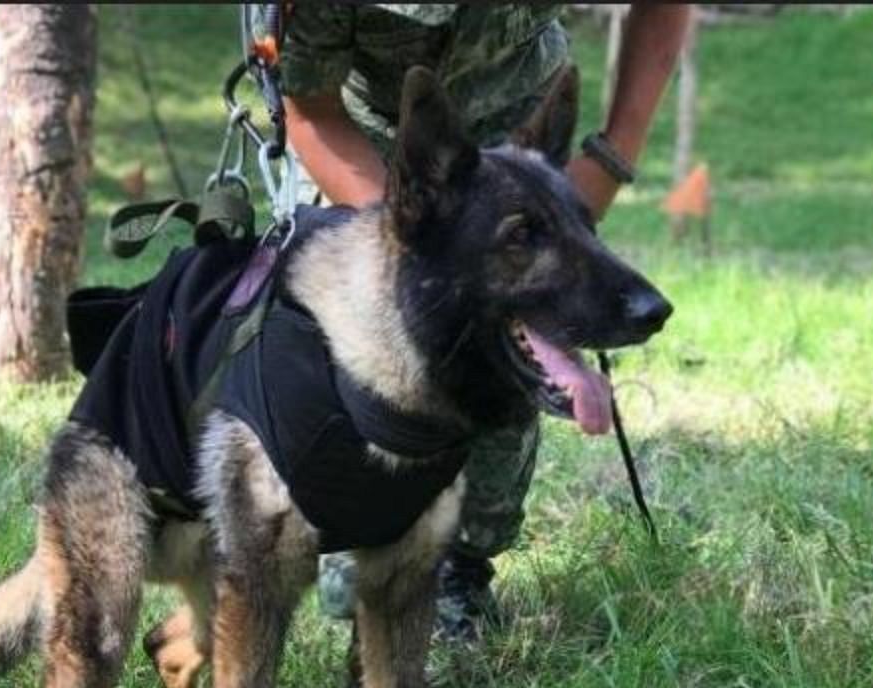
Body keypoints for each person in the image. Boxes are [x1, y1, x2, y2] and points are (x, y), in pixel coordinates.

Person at [278, 4, 690, 645]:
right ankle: (350, 553)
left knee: (500, 366)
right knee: (355, 377)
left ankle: (456, 576)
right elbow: (312, 112)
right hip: (368, 148)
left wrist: (610, 158)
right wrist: (411, 236)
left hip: (522, 127)